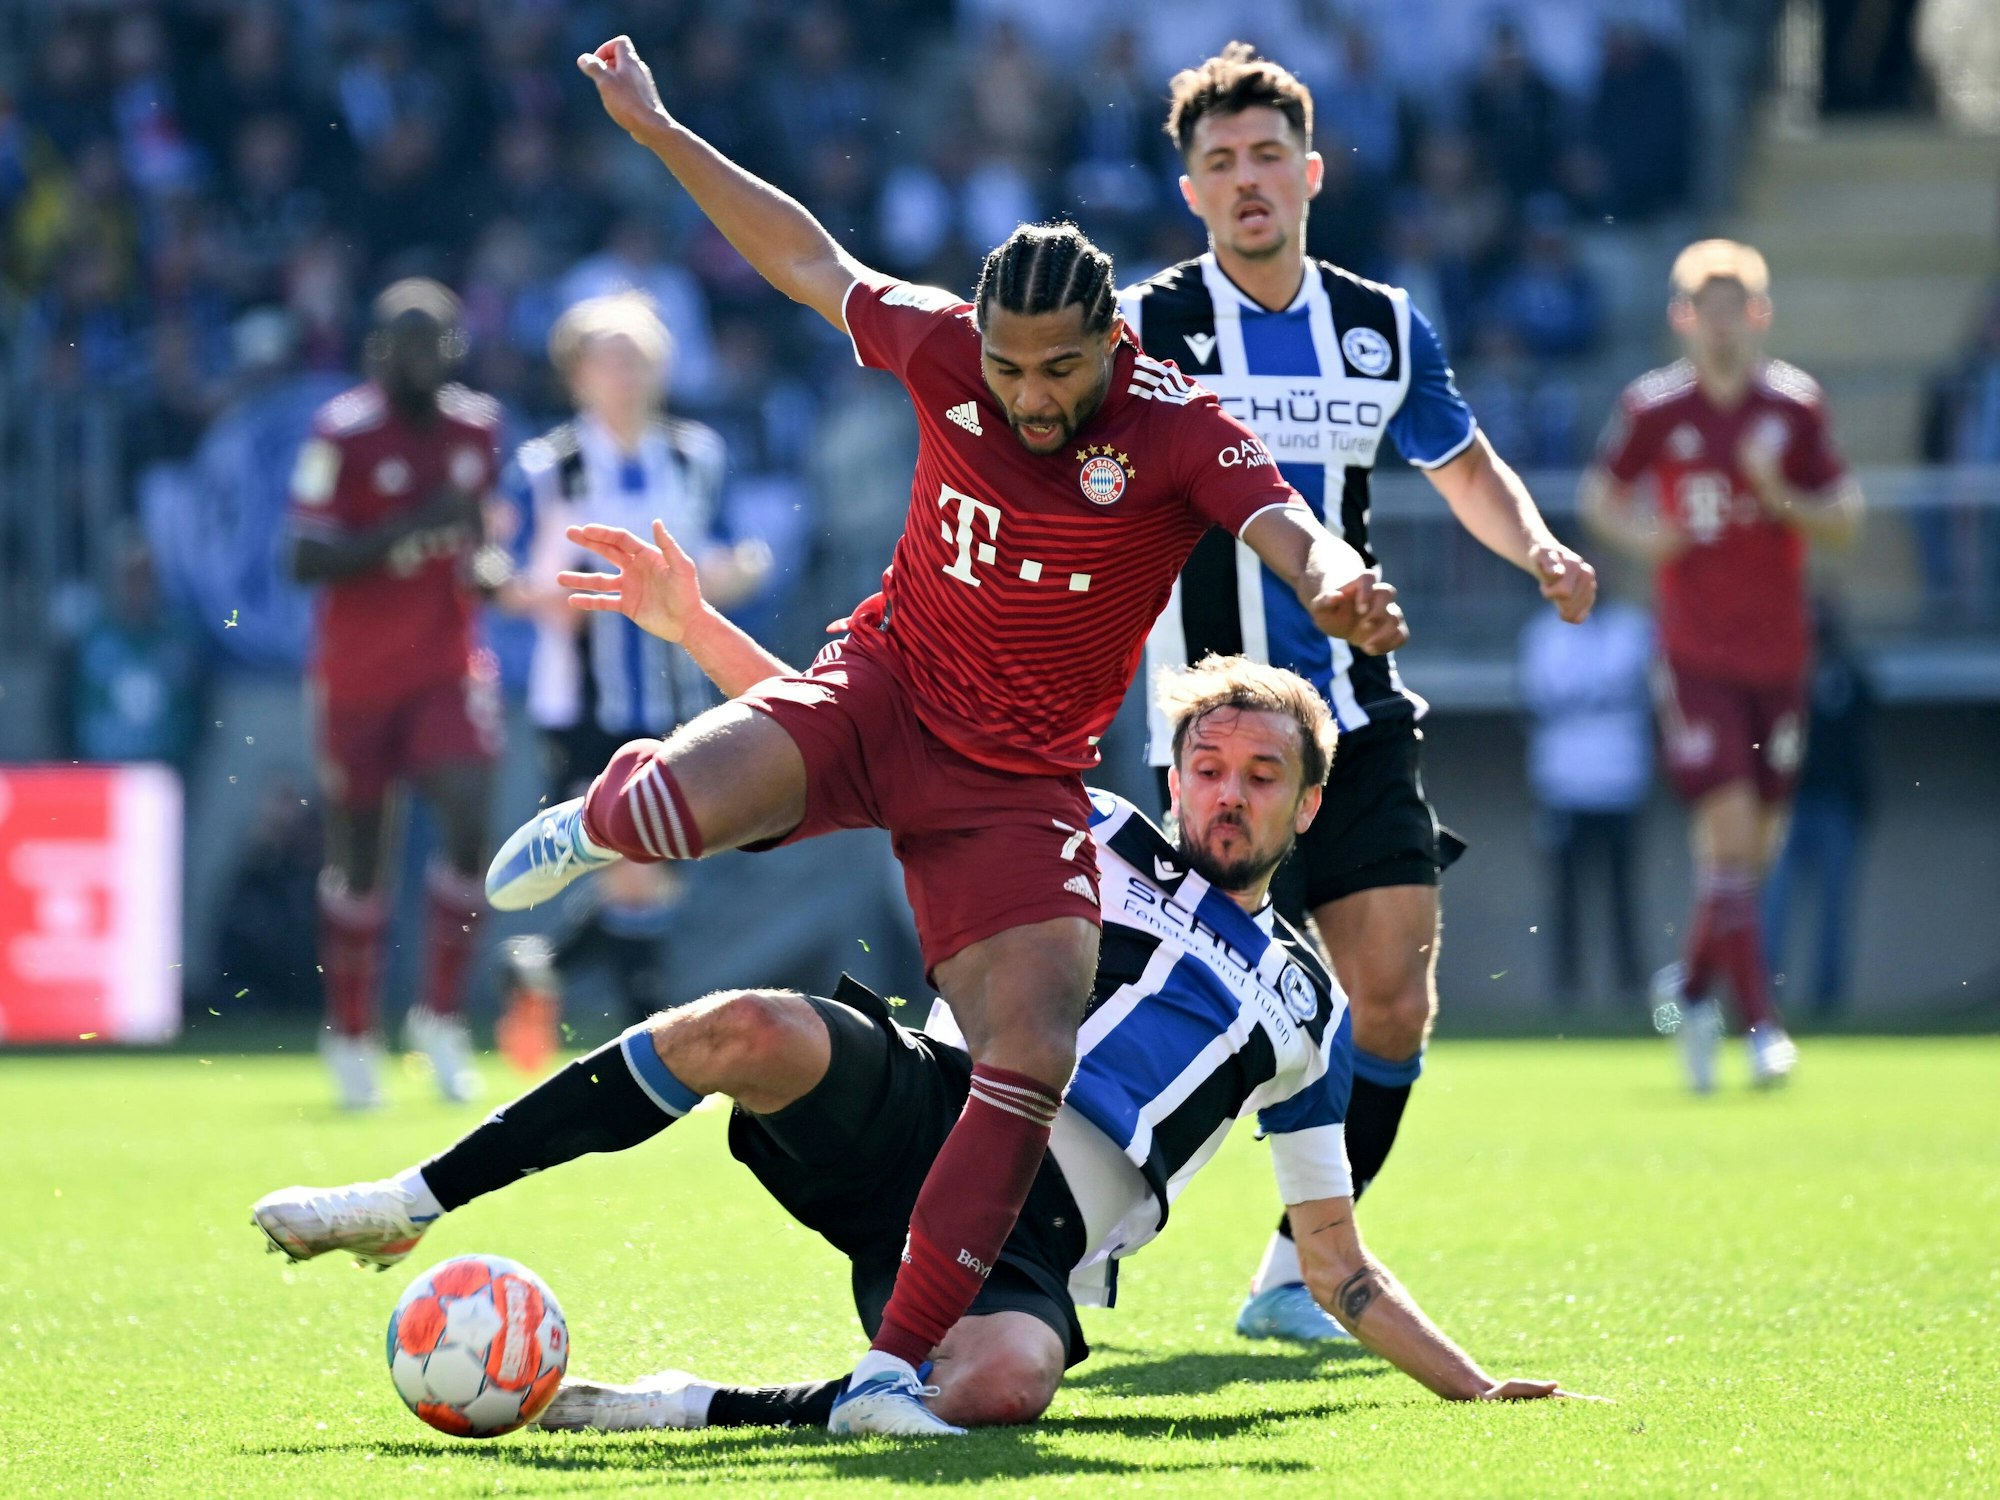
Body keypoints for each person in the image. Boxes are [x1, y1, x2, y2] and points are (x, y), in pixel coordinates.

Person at [471, 37, 1407, 1435]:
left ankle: (867, 1380)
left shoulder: (1171, 425)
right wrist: (661, 130)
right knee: (676, 817)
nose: (1031, 398)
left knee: (1024, 1079)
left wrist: (1330, 581)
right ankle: (601, 819)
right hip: (890, 691)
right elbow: (804, 260)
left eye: (1060, 371)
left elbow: (1281, 521)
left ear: (1113, 345)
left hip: (1019, 782)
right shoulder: (945, 348)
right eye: (1012, 369)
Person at [254, 637, 1591, 1432]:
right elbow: (845, 732)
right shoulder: (1084, 830)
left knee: (1009, 1379)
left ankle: (689, 1405)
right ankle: (406, 1199)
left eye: (1262, 778)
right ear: (1171, 772)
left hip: (1039, 1238)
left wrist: (1473, 1391)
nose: (1228, 795)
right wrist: (690, 622)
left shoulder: (1306, 1004)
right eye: (1208, 766)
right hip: (938, 1105)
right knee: (745, 1028)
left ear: (1307, 810)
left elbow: (1341, 1267)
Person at [1117, 43, 1597, 1343]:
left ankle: (1298, 1276)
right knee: (1171, 1028)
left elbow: (1465, 463)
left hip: (1353, 716)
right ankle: (1048, 1246)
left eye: (1268, 154)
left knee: (1390, 998)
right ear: (1193, 191)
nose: (1248, 179)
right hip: (1205, 737)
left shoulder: (1382, 325)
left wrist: (1539, 545)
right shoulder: (1148, 330)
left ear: (1312, 172)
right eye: (1220, 162)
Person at [1581, 240, 1863, 1093]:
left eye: (1736, 303)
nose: (1722, 320)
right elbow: (1601, 497)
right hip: (1696, 652)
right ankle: (1763, 1028)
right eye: (1707, 304)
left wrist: (1778, 494)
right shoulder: (1654, 407)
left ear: (1760, 314)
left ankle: (1694, 987)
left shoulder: (1795, 406)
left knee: (1753, 851)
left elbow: (1845, 519)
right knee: (1731, 831)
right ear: (1682, 317)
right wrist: (1645, 537)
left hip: (1780, 656)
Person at [499, 292, 768, 1027]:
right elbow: (500, 571)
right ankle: (651, 1035)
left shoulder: (695, 455)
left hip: (679, 694)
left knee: (656, 870)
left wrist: (738, 570)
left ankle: (543, 966)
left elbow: (734, 550)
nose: (627, 373)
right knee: (635, 868)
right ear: (577, 373)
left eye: (642, 357)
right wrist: (548, 594)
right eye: (611, 358)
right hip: (583, 701)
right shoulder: (547, 466)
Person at [286, 278, 508, 1109]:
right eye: (408, 343)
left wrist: (484, 567)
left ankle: (441, 1019)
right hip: (356, 677)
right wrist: (410, 526)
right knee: (359, 856)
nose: (425, 359)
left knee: (470, 817)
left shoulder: (477, 427)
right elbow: (303, 558)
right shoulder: (341, 433)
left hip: (446, 667)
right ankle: (350, 1031)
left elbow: (476, 539)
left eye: (439, 342)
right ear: (379, 351)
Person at [1519, 594, 1655, 1009]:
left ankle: (1630, 990)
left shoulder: (1635, 628)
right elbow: (1537, 700)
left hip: (1622, 781)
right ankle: (1567, 992)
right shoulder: (1542, 633)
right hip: (1563, 783)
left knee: (1622, 893)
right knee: (1566, 895)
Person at [1763, 603, 1876, 1018]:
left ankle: (1828, 1004)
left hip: (1835, 806)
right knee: (1774, 909)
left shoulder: (1847, 674)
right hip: (1788, 807)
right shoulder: (1782, 674)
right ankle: (1762, 1001)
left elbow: (1860, 723)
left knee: (1834, 911)